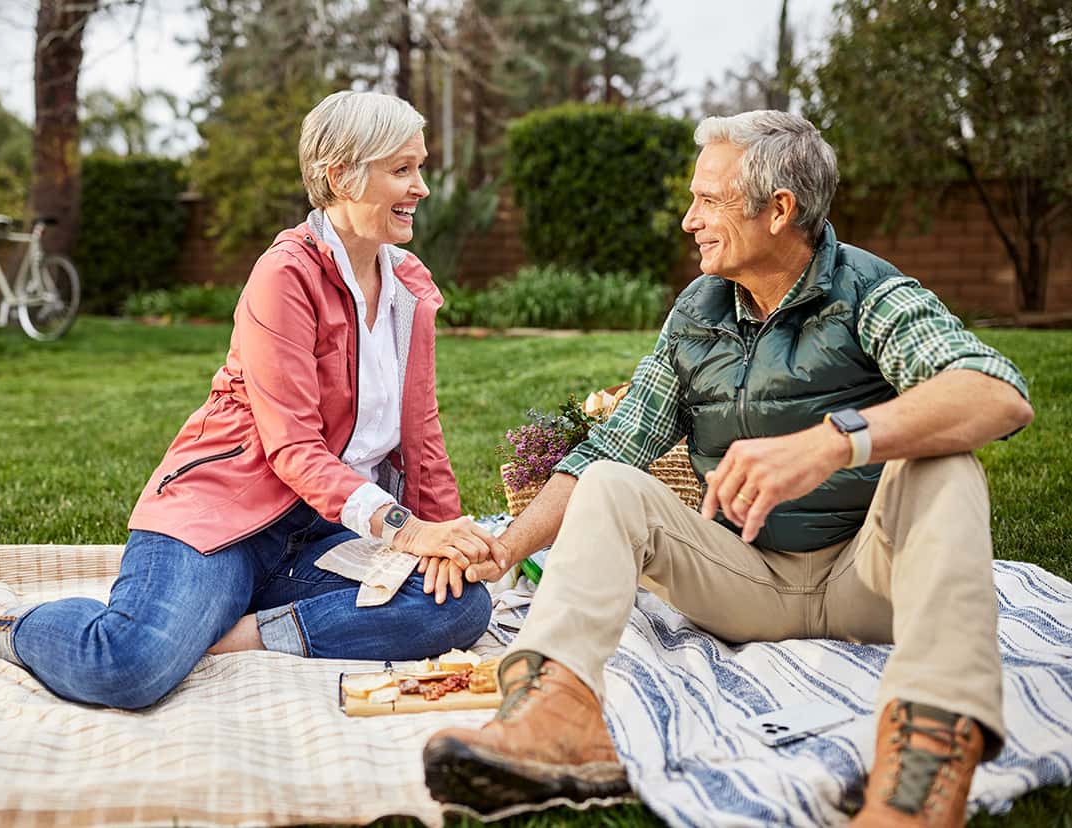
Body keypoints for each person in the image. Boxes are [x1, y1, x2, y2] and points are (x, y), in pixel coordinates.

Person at [422, 111, 1033, 827]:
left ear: (778, 209)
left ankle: (918, 783)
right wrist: (505, 548)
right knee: (613, 486)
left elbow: (995, 392)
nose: (688, 220)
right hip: (745, 579)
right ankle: (556, 720)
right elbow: (610, 447)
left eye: (707, 200)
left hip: (871, 580)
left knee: (944, 467)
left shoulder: (872, 292)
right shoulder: (697, 311)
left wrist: (834, 442)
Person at [0, 90, 505, 710]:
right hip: (223, 516)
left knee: (457, 606)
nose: (420, 187)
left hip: (322, 534)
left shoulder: (408, 284)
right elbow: (293, 447)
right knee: (126, 667)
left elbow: (419, 433)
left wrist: (444, 540)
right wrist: (407, 531)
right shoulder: (287, 274)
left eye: (419, 168)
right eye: (402, 170)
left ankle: (221, 634)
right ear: (340, 176)